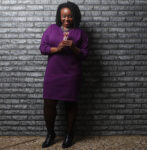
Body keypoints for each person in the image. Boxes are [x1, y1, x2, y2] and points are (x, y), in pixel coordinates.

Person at [39, 1, 88, 149]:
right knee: (49, 104)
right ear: (59, 16)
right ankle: (50, 133)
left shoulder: (80, 33)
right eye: (64, 16)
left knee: (71, 105)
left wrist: (73, 47)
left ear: (75, 17)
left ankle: (69, 134)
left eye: (70, 16)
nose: (67, 19)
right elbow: (42, 48)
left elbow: (85, 54)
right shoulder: (51, 29)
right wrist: (58, 48)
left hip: (71, 74)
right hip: (53, 73)